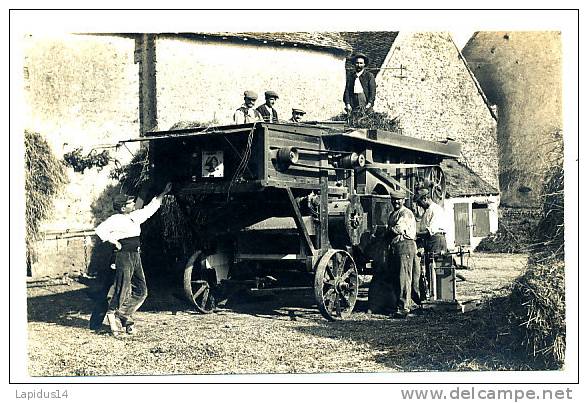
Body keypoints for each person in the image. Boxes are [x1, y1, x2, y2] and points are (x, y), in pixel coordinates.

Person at [94, 182, 172, 335]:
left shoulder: (134, 216)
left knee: (142, 290)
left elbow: (151, 208)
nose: (133, 204)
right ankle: (112, 314)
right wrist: (114, 241)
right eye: (130, 203)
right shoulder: (115, 219)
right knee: (121, 289)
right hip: (123, 256)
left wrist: (164, 192)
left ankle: (122, 314)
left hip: (135, 255)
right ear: (123, 208)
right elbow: (99, 231)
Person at [386, 189, 418, 319]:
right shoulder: (393, 213)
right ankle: (398, 306)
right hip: (396, 247)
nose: (396, 202)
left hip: (405, 245)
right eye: (394, 199)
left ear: (403, 200)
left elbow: (397, 229)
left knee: (403, 278)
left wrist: (385, 233)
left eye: (398, 199)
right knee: (396, 277)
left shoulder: (406, 213)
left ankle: (404, 308)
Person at [414, 188, 448, 300]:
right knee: (429, 269)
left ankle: (439, 295)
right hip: (429, 241)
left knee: (436, 268)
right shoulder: (427, 211)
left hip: (436, 240)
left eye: (419, 202)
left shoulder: (436, 210)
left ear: (425, 198)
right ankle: (433, 295)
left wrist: (415, 234)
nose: (419, 205)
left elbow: (430, 230)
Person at [343, 53, 376, 123]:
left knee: (365, 121)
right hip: (353, 101)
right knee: (353, 120)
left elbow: (372, 92)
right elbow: (347, 91)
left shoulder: (369, 76)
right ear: (354, 64)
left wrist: (369, 103)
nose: (359, 65)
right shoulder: (351, 76)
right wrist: (348, 104)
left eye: (361, 63)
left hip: (364, 102)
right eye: (357, 63)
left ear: (364, 64)